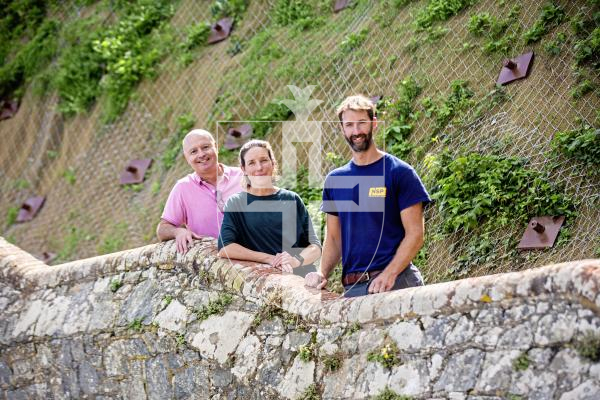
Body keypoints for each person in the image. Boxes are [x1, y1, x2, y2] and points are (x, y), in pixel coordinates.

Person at [304, 95, 430, 297]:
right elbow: (335, 239)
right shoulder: (336, 180)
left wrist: (389, 274)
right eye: (349, 125)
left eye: (362, 123)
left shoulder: (399, 172)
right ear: (342, 129)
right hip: (353, 289)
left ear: (374, 123)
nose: (356, 131)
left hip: (396, 283)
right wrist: (321, 272)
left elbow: (415, 234)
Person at [217, 140, 321, 276]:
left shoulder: (291, 198)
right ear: (243, 169)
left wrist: (295, 261)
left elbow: (315, 247)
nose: (259, 167)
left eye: (264, 160)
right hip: (267, 278)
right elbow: (225, 248)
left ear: (273, 163)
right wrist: (270, 258)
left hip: (302, 276)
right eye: (251, 163)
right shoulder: (236, 203)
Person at [157, 129, 243, 253]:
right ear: (187, 158)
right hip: (215, 261)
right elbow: (162, 229)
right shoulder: (183, 188)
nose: (201, 154)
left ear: (216, 147)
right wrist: (178, 231)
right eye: (193, 151)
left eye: (205, 147)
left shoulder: (243, 176)